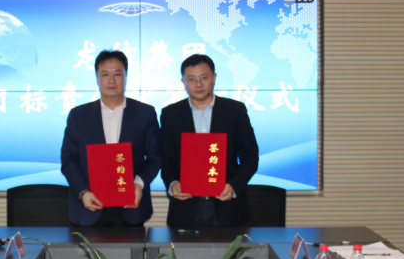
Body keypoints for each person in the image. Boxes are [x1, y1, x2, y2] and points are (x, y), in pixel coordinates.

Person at [60, 50, 162, 226]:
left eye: (117, 74)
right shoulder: (79, 115)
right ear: (97, 78)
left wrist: (138, 184)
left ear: (126, 77)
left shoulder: (145, 113)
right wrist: (83, 192)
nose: (112, 80)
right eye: (105, 74)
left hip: (131, 207)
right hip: (89, 208)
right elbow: (68, 159)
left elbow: (155, 157)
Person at [160, 54, 259, 229]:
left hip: (228, 208)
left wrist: (234, 186)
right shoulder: (171, 114)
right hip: (186, 208)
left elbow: (250, 157)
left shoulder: (235, 111)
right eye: (192, 79)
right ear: (183, 82)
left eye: (204, 78)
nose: (198, 84)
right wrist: (173, 183)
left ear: (214, 78)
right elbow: (166, 159)